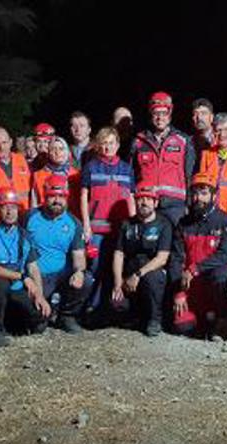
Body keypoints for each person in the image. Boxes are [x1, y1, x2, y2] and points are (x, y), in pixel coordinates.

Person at [0, 187, 50, 345]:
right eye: (4, 207)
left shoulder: (24, 235)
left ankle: (12, 322)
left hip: (17, 287)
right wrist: (23, 277)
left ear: (18, 209)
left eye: (13, 207)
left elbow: (33, 268)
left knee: (40, 318)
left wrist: (39, 295)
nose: (9, 212)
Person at [169, 173, 227, 337]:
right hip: (189, 285)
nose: (198, 198)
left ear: (214, 195)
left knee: (222, 273)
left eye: (204, 193)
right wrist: (178, 292)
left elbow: (226, 254)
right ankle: (199, 317)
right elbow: (176, 259)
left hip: (211, 282)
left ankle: (220, 317)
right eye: (195, 193)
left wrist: (195, 268)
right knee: (183, 328)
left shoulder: (224, 221)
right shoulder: (183, 223)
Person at [26, 174, 93, 333]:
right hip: (37, 276)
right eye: (52, 196)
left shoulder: (73, 223)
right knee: (37, 326)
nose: (57, 200)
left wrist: (79, 272)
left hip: (62, 275)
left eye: (61, 196)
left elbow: (78, 256)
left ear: (67, 198)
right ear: (44, 196)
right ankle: (44, 314)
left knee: (86, 280)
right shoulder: (29, 217)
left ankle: (66, 316)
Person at [81, 127, 136, 310]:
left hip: (120, 228)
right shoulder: (90, 167)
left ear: (118, 145)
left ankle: (113, 306)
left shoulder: (127, 168)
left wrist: (134, 223)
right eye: (104, 143)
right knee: (96, 267)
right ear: (98, 146)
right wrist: (86, 225)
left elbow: (131, 197)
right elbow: (83, 197)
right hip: (96, 229)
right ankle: (92, 305)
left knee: (117, 267)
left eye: (111, 143)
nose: (107, 147)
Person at [110, 184, 173, 336]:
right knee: (117, 305)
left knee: (153, 278)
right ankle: (135, 316)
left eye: (148, 199)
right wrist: (118, 283)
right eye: (140, 199)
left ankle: (154, 320)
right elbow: (119, 254)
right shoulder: (127, 224)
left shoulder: (164, 224)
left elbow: (162, 258)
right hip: (130, 272)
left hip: (151, 273)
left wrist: (138, 275)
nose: (144, 202)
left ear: (155, 203)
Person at [130, 91, 196, 226]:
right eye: (156, 113)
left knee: (175, 244)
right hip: (146, 202)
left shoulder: (183, 141)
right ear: (151, 115)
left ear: (170, 115)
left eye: (164, 113)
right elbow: (130, 175)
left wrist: (189, 204)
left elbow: (190, 175)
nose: (160, 118)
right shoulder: (139, 141)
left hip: (175, 204)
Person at [32, 136, 82, 217]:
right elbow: (34, 203)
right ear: (49, 153)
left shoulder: (75, 175)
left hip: (70, 220)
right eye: (53, 149)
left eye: (61, 149)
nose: (57, 152)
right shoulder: (38, 175)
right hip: (44, 218)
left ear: (66, 152)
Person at [0, 126, 31, 211]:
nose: (1, 147)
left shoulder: (21, 160)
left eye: (4, 142)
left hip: (23, 215)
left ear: (10, 142)